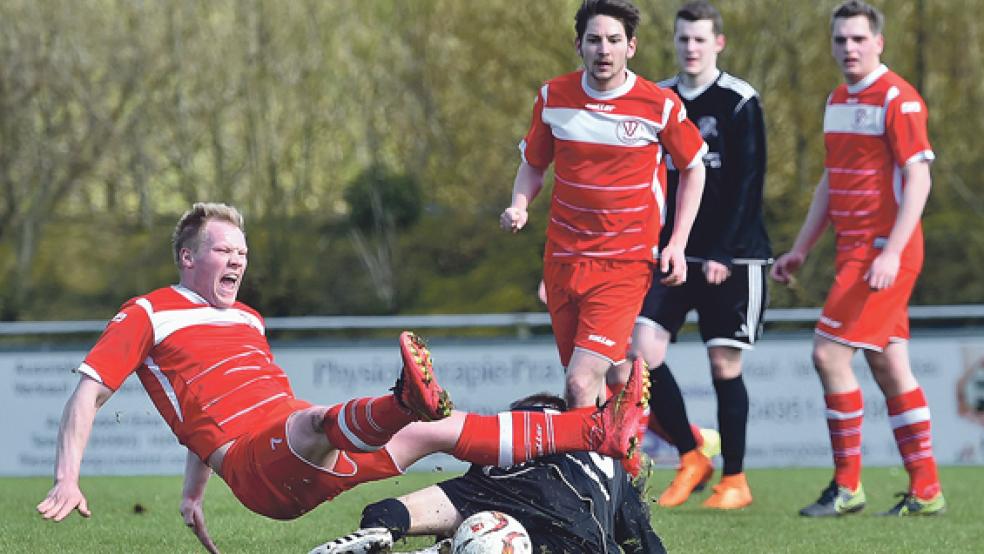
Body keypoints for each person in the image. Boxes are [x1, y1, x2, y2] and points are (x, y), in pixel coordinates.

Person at [35, 202, 651, 552]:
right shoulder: (146, 313)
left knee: (442, 432)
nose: (239, 259)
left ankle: (595, 429)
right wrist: (67, 478)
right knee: (313, 420)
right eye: (225, 250)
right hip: (263, 468)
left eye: (243, 251)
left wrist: (192, 497)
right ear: (188, 257)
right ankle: (401, 401)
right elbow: (88, 392)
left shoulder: (247, 316)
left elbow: (194, 413)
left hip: (310, 451)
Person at [771, 1, 946, 517]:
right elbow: (831, 180)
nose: (848, 48)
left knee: (828, 355)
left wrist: (891, 251)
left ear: (879, 43)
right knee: (890, 367)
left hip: (882, 255)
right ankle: (927, 490)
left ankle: (848, 487)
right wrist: (802, 248)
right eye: (840, 39)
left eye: (858, 39)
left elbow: (920, 178)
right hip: (855, 253)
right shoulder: (837, 99)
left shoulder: (899, 98)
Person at [499, 0, 707, 413]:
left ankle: (590, 474)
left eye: (614, 40)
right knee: (591, 389)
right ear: (579, 45)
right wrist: (519, 205)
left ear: (631, 47)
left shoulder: (658, 105)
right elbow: (534, 165)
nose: (604, 49)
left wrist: (677, 242)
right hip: (562, 260)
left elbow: (694, 169)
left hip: (623, 264)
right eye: (594, 40)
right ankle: (616, 468)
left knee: (579, 383)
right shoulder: (554, 96)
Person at [627, 0, 771, 510]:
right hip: (673, 254)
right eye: (683, 38)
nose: (690, 47)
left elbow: (749, 183)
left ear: (718, 43)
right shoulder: (659, 98)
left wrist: (724, 253)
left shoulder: (738, 99)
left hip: (732, 258)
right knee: (640, 354)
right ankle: (692, 454)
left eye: (700, 39)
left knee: (723, 363)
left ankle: (736, 480)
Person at [311, 394, 666, 554]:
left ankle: (386, 531)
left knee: (395, 513)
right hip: (575, 529)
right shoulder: (607, 462)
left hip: (499, 495)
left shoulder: (502, 449)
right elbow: (640, 539)